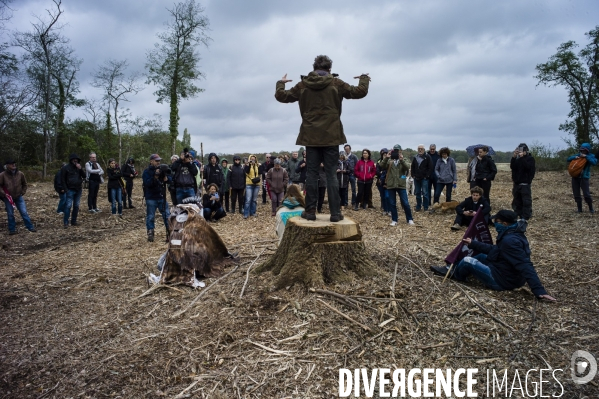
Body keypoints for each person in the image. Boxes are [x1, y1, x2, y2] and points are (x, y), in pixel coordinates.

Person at [275, 55, 369, 222]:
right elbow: (360, 92)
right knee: (331, 174)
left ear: (314, 67)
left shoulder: (303, 85)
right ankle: (335, 213)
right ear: (329, 69)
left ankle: (310, 212)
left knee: (311, 175)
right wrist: (363, 79)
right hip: (331, 136)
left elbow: (281, 96)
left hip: (310, 136)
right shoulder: (336, 83)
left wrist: (281, 83)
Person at [431, 210, 556, 302]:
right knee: (480, 256)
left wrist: (539, 291)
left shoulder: (510, 241)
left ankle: (456, 275)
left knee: (468, 260)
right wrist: (473, 243)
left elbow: (525, 265)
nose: (494, 224)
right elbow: (495, 250)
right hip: (503, 270)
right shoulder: (512, 234)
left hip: (502, 281)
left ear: (505, 223)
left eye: (497, 222)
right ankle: (451, 269)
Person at [380, 145, 415, 226]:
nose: (397, 152)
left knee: (405, 203)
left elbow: (407, 167)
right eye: (395, 150)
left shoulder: (404, 159)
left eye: (398, 150)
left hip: (401, 184)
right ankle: (394, 220)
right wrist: (386, 157)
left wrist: (401, 160)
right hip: (391, 184)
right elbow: (381, 165)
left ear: (401, 151)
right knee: (392, 203)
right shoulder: (390, 160)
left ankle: (409, 219)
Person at [0, 160, 36, 234]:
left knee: (24, 212)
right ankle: (12, 229)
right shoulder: (2, 175)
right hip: (8, 198)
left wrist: (22, 192)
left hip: (18, 197)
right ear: (7, 166)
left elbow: (25, 184)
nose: (13, 165)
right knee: (10, 214)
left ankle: (30, 227)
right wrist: (4, 194)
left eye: (14, 163)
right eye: (11, 164)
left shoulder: (20, 174)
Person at [142, 154, 171, 242]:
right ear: (151, 161)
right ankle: (150, 232)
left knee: (167, 215)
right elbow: (147, 183)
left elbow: (170, 178)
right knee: (150, 216)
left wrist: (167, 179)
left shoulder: (161, 170)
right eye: (156, 161)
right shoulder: (146, 172)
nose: (158, 162)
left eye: (159, 161)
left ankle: (170, 232)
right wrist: (155, 176)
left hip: (161, 196)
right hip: (151, 197)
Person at [568, 142, 597, 213]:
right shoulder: (578, 155)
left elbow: (594, 162)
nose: (583, 151)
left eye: (584, 150)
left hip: (584, 177)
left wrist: (586, 157)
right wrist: (575, 157)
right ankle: (579, 209)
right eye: (582, 150)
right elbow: (568, 159)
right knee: (576, 193)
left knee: (586, 194)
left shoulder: (591, 156)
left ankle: (591, 208)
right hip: (575, 177)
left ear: (588, 150)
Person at [510, 143, 536, 220]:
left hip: (525, 183)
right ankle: (517, 213)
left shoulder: (530, 159)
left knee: (526, 200)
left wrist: (522, 158)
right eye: (519, 150)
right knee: (517, 200)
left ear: (525, 151)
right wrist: (514, 157)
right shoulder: (517, 159)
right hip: (517, 183)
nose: (520, 152)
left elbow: (528, 168)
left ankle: (526, 215)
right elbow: (512, 167)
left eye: (521, 150)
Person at [61, 154, 86, 228]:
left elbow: (84, 176)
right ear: (71, 160)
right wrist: (66, 189)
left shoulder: (78, 168)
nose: (76, 161)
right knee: (68, 206)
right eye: (74, 159)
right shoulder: (66, 168)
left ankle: (73, 221)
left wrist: (80, 169)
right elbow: (63, 180)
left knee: (76, 206)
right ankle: (66, 222)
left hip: (78, 189)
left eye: (77, 159)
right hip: (70, 189)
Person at [410, 144, 433, 211]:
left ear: (424, 149)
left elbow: (430, 167)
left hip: (424, 178)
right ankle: (418, 206)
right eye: (419, 148)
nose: (420, 150)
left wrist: (427, 176)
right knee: (417, 193)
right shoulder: (415, 157)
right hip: (416, 178)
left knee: (425, 193)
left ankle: (425, 207)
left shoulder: (427, 157)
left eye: (421, 149)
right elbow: (412, 166)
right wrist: (413, 175)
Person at [243, 154, 263, 218]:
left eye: (254, 159)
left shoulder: (257, 165)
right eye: (251, 159)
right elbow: (246, 171)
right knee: (248, 199)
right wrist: (248, 164)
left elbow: (261, 172)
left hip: (256, 184)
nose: (253, 160)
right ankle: (246, 213)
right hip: (249, 184)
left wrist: (260, 166)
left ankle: (253, 212)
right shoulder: (247, 165)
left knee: (254, 200)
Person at [376, 148, 390, 215]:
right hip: (380, 181)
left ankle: (389, 210)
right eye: (383, 154)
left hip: (388, 181)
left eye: (385, 154)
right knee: (383, 196)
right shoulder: (379, 161)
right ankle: (385, 209)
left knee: (388, 196)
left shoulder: (390, 161)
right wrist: (381, 174)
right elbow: (377, 170)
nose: (384, 155)